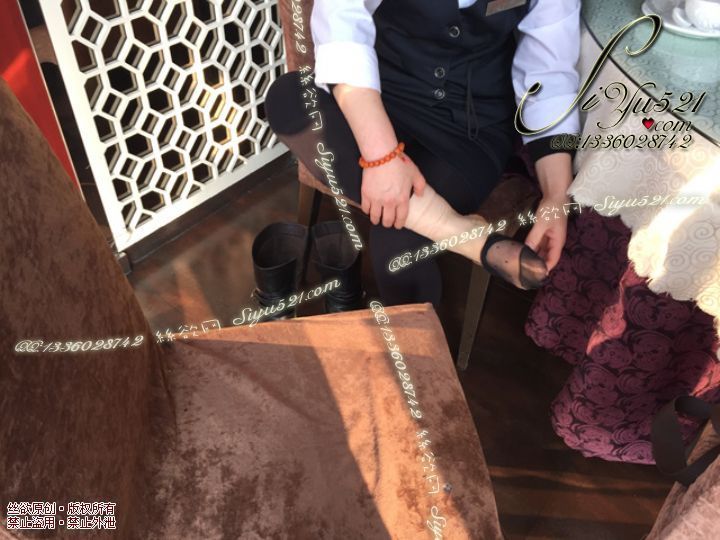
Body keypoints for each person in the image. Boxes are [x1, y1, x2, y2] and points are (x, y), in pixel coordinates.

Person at [266, 0, 581, 307]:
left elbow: (549, 76)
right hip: (380, 93)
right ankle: (463, 235)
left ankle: (413, 341)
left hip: (471, 127)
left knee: (398, 241)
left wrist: (556, 197)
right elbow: (341, 23)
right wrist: (382, 157)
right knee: (291, 98)